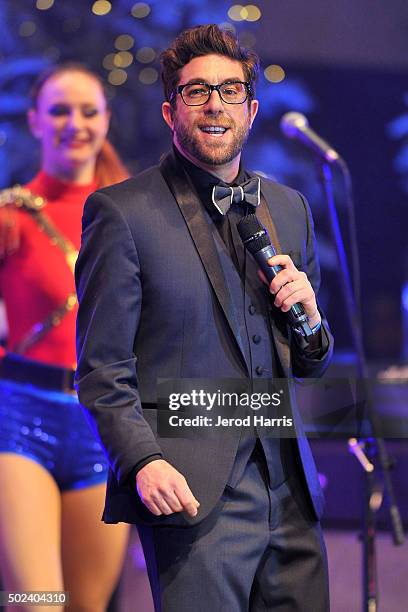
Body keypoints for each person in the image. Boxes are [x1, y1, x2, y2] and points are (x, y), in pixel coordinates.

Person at [75, 25, 334, 612]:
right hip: (193, 494)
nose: (215, 102)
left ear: (251, 107)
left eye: (229, 89)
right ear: (171, 110)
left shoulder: (289, 209)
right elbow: (100, 369)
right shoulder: (121, 213)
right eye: (196, 91)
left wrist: (312, 322)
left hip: (290, 491)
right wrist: (143, 460)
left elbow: (311, 362)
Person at [0, 64, 129, 612]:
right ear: (34, 121)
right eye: (58, 110)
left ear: (106, 121)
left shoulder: (133, 220)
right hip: (18, 422)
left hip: (104, 426)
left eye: (87, 111)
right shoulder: (8, 217)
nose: (73, 123)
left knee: (84, 607)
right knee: (37, 603)